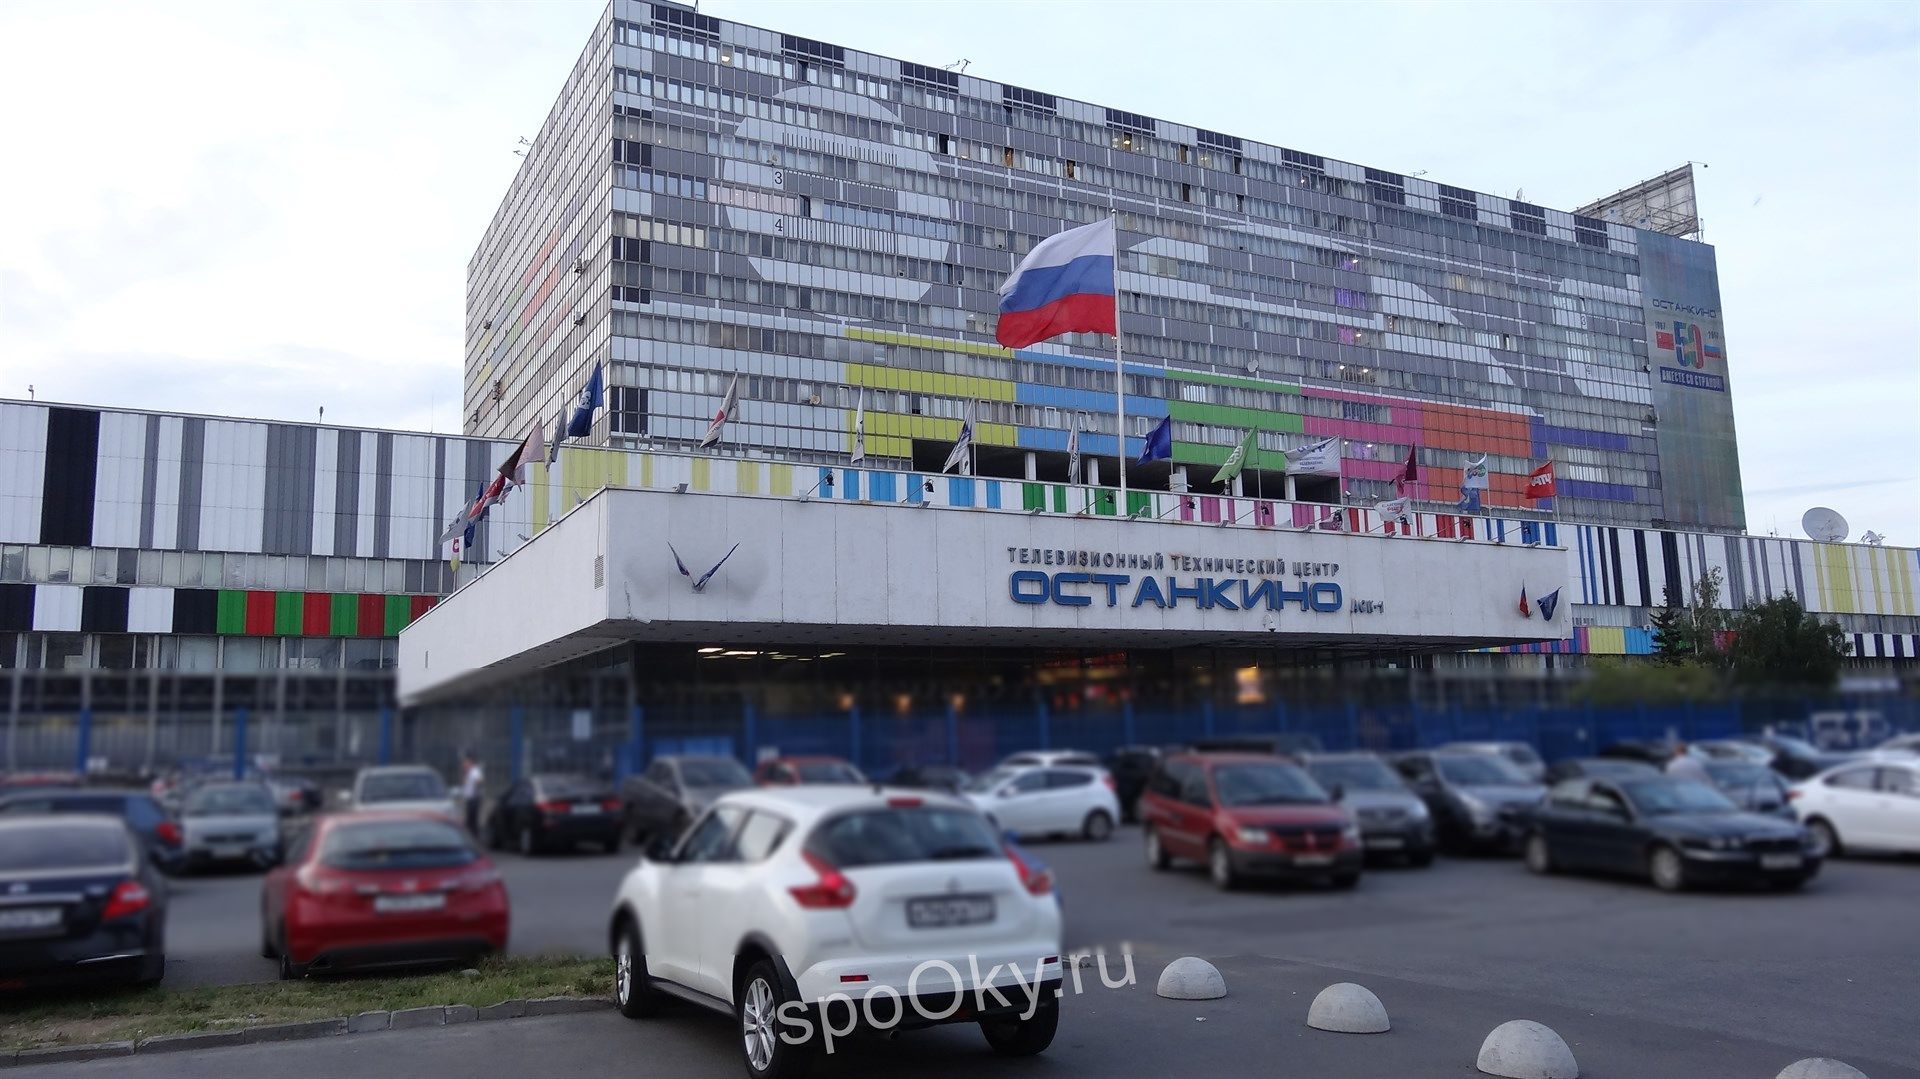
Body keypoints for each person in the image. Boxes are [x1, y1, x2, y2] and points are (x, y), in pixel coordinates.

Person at [460, 752, 485, 835]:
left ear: (470, 762)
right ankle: (473, 836)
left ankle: (474, 837)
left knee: (472, 822)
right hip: (470, 799)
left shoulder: (474, 771)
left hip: (474, 800)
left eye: (465, 762)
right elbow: (466, 784)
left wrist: (476, 793)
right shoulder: (469, 772)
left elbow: (479, 781)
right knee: (470, 822)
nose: (463, 764)